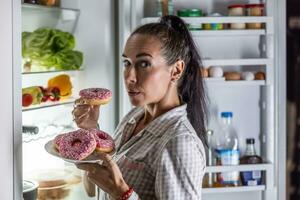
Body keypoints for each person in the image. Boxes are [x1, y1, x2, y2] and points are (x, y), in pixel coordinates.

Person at [72, 15, 208, 200]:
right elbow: (93, 190)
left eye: (144, 64)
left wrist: (122, 193)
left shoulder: (179, 143)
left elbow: (115, 190)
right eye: (127, 63)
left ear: (176, 70)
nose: (129, 77)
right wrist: (90, 134)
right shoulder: (133, 117)